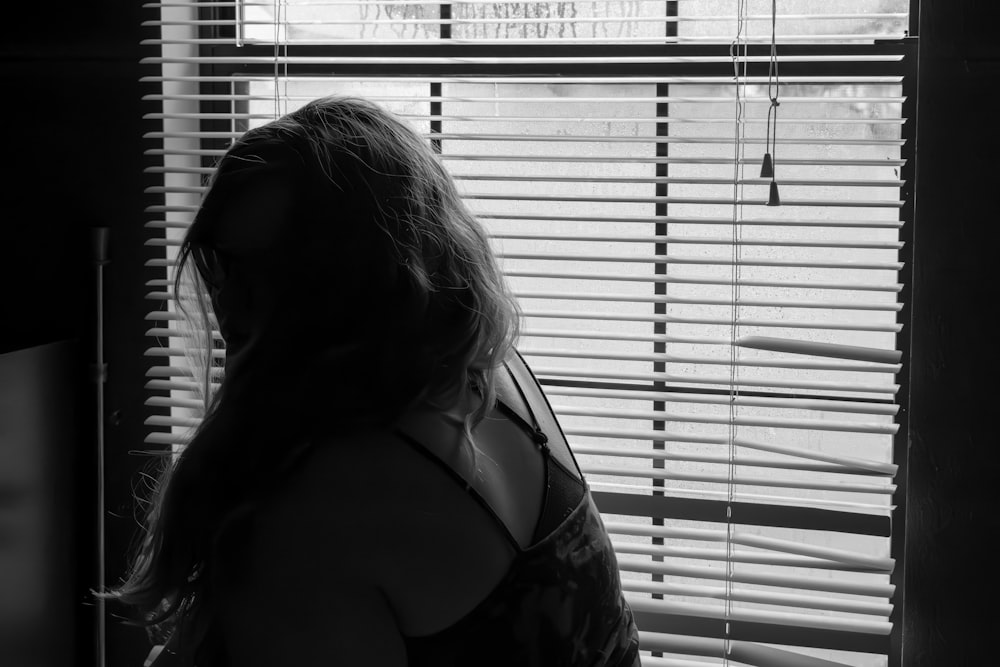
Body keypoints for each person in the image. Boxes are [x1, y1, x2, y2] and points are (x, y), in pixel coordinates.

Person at [108, 96, 641, 666]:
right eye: (221, 262)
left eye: (273, 273)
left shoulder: (315, 517)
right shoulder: (494, 374)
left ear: (365, 277)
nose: (228, 303)